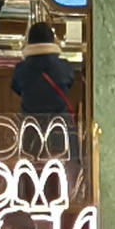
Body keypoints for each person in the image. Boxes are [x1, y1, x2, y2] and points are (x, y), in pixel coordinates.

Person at [8, 15, 79, 143]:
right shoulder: (64, 66)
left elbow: (15, 86)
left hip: (31, 129)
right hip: (60, 128)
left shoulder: (21, 69)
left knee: (31, 155)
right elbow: (70, 82)